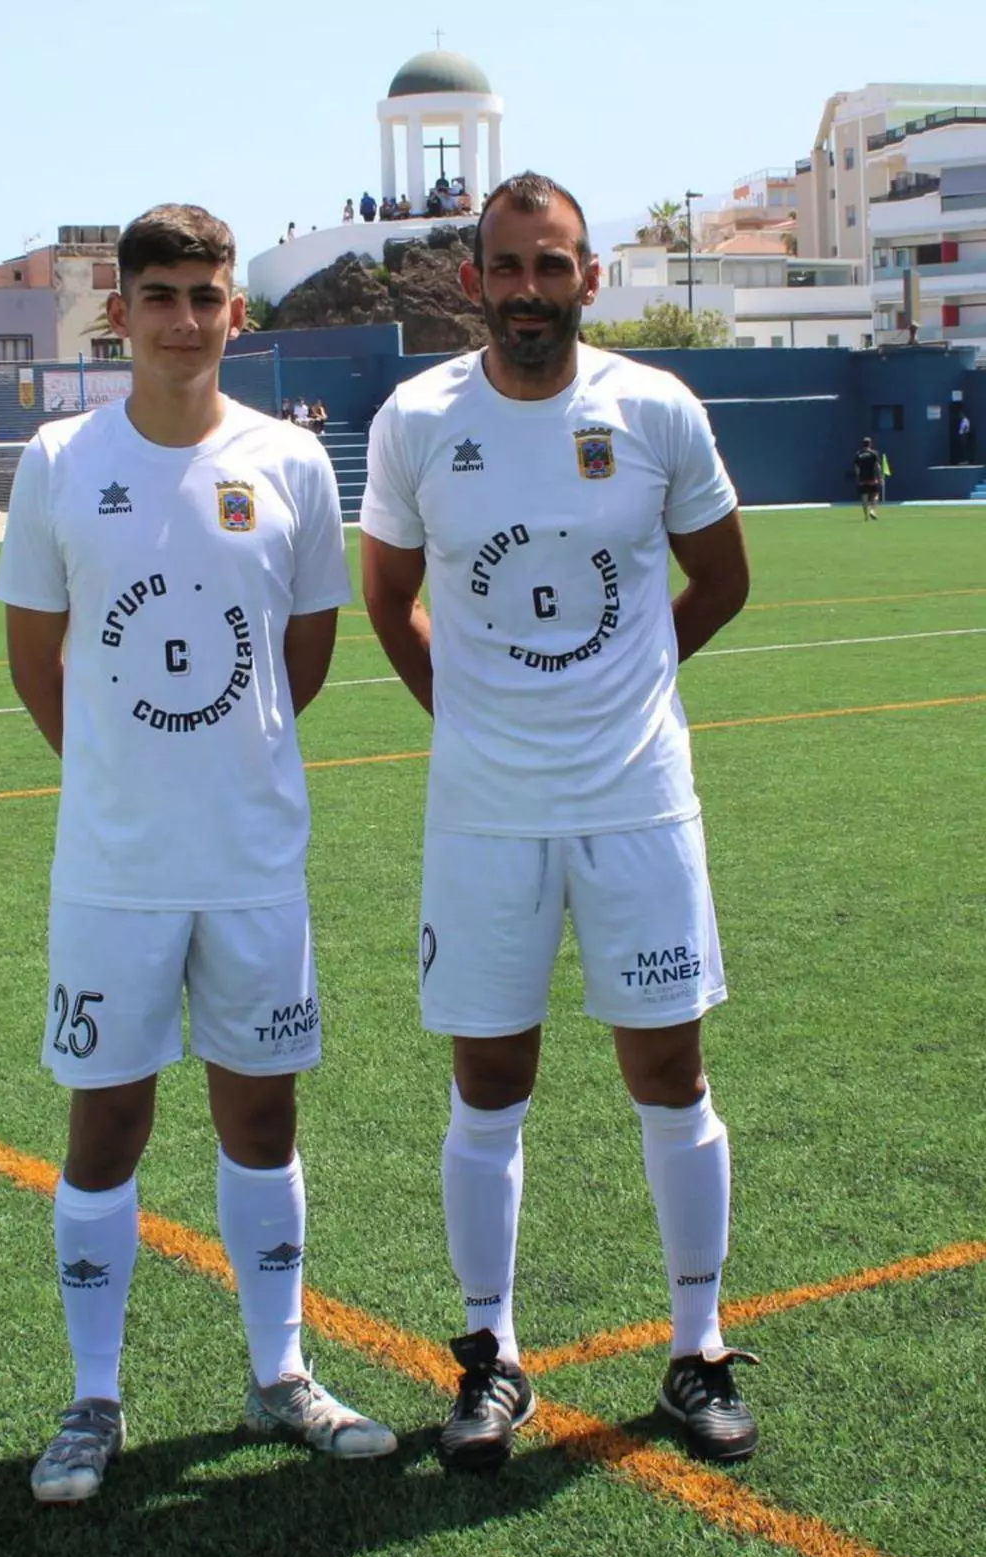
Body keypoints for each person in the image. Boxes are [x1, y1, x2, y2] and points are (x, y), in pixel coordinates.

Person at [0, 201, 397, 1505]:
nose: (182, 317)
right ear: (121, 312)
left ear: (238, 310)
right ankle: (94, 1398)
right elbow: (35, 660)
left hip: (251, 859)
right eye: (158, 294)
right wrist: (124, 771)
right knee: (107, 1117)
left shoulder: (288, 462)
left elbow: (309, 655)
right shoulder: (61, 459)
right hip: (113, 867)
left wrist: (218, 763)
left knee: (262, 1114)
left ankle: (278, 1374)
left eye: (204, 294)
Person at [360, 171, 757, 1472]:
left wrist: (628, 692)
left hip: (640, 802)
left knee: (670, 1074)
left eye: (556, 265)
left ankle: (697, 1350)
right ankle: (492, 1358)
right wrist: (471, 717)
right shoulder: (417, 420)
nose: (532, 289)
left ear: (591, 279)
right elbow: (388, 601)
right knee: (490, 1085)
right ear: (473, 281)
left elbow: (723, 580)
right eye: (510, 266)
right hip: (485, 816)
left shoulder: (655, 409)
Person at [853, 436, 882, 519]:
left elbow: (856, 468)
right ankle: (872, 510)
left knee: (864, 497)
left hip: (862, 479)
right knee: (875, 494)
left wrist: (858, 477)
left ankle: (866, 516)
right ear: (870, 444)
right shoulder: (874, 453)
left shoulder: (858, 454)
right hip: (873, 478)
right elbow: (877, 466)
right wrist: (880, 477)